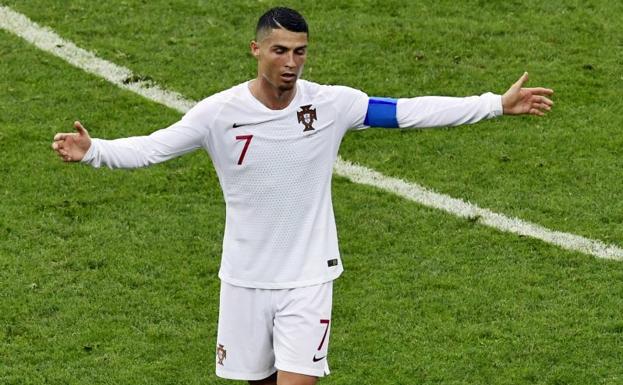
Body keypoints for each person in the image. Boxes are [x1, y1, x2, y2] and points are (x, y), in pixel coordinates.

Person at [51, 6, 553, 385]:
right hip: (244, 281)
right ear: (255, 50)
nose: (291, 63)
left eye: (300, 51)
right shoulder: (218, 113)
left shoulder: (331, 105)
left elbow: (404, 111)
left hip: (308, 280)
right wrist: (95, 151)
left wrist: (494, 105)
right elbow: (155, 148)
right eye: (280, 50)